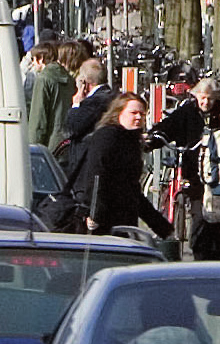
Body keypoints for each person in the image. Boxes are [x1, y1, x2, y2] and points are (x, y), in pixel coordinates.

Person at [71, 92, 173, 237]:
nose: (138, 117)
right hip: (102, 222)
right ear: (119, 113)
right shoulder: (107, 137)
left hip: (123, 219)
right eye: (133, 113)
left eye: (142, 114)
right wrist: (94, 214)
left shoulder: (131, 141)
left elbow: (132, 191)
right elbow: (96, 176)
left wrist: (162, 228)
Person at [150, 77, 220, 259]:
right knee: (199, 213)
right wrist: (153, 138)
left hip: (218, 172)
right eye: (202, 98)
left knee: (215, 216)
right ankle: (199, 253)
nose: (206, 102)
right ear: (196, 96)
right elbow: (168, 126)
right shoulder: (187, 112)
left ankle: (215, 255)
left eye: (210, 99)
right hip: (194, 172)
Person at [29, 41, 73, 152]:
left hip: (49, 143)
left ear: (41, 59)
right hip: (66, 140)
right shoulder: (68, 78)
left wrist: (32, 148)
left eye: (33, 59)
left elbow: (38, 118)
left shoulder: (43, 79)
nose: (33, 63)